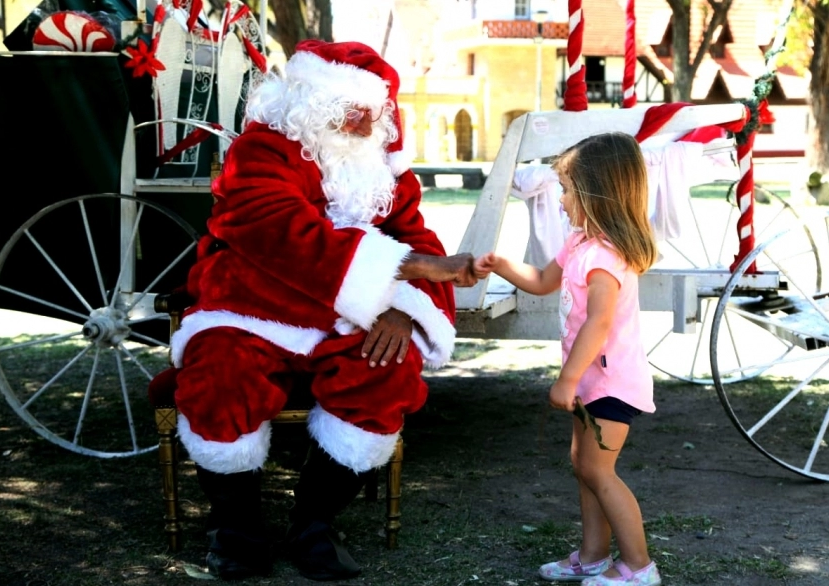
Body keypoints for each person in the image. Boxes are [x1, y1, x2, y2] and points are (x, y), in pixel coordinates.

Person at [161, 40, 477, 581]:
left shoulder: (382, 170)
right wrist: (410, 269)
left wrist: (405, 307)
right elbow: (274, 229)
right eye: (349, 107)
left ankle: (315, 525)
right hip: (249, 308)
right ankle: (235, 530)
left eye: (373, 111)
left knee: (386, 372)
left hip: (346, 317)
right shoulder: (261, 151)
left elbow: (416, 237)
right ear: (309, 98)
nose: (363, 121)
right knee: (221, 376)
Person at [473, 132, 662, 586]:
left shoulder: (606, 258)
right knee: (584, 466)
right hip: (592, 384)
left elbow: (598, 323)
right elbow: (540, 280)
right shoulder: (580, 243)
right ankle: (594, 555)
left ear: (598, 192)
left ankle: (639, 566)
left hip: (611, 383)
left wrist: (566, 379)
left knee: (598, 470)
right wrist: (501, 264)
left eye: (567, 189)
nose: (559, 201)